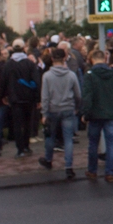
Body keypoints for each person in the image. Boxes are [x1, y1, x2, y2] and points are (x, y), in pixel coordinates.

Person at [81, 49, 113, 182]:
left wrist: (85, 113)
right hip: (111, 113)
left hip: (95, 114)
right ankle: (109, 172)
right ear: (104, 59)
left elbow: (87, 96)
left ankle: (92, 170)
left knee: (93, 143)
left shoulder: (89, 75)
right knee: (111, 143)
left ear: (92, 59)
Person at [39, 47, 82, 179]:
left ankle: (48, 160)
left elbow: (45, 96)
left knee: (50, 136)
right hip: (68, 108)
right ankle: (68, 166)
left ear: (52, 59)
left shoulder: (47, 76)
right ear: (64, 58)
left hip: (52, 109)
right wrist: (77, 107)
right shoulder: (71, 75)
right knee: (68, 138)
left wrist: (44, 113)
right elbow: (78, 94)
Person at [0, 39, 41, 158]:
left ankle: (20, 149)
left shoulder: (8, 64)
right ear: (24, 49)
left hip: (14, 98)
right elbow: (37, 81)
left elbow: (3, 81)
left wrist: (2, 95)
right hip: (29, 98)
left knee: (17, 124)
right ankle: (27, 146)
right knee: (28, 123)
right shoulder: (30, 64)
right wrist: (38, 98)